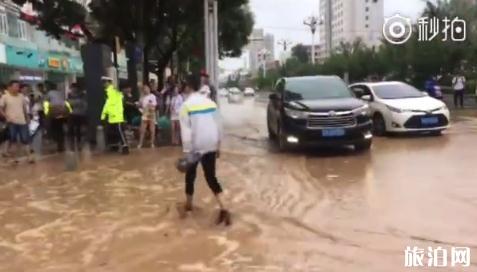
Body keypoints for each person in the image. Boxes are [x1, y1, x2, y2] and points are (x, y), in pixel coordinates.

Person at [178, 74, 231, 226]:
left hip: (196, 145)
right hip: (212, 143)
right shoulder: (211, 103)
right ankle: (224, 207)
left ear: (187, 86)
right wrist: (219, 146)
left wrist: (187, 153)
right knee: (211, 177)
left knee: (190, 176)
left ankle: (188, 206)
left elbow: (186, 132)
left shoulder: (186, 105)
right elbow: (219, 126)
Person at [0, 80, 34, 164]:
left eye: (18, 86)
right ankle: (14, 158)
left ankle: (29, 157)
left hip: (22, 121)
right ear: (10, 87)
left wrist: (27, 118)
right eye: (15, 86)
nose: (17, 88)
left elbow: (24, 109)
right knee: (13, 140)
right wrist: (6, 117)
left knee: (25, 140)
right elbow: (0, 108)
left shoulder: (21, 96)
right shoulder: (5, 97)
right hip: (11, 122)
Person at [100, 76, 129, 154]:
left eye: (105, 82)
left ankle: (124, 146)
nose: (104, 84)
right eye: (103, 82)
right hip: (111, 116)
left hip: (117, 115)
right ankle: (115, 146)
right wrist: (103, 116)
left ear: (109, 83)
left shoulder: (113, 92)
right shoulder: (108, 92)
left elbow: (117, 103)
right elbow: (107, 105)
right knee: (113, 131)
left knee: (119, 131)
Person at [43, 81, 71, 152]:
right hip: (63, 112)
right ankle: (61, 144)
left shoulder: (49, 93)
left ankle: (55, 141)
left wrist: (46, 113)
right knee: (60, 128)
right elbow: (65, 102)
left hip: (55, 112)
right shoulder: (60, 93)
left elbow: (45, 102)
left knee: (53, 127)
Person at [67, 83, 87, 150]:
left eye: (74, 88)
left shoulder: (82, 95)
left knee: (78, 129)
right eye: (72, 88)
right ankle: (72, 144)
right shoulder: (69, 95)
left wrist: (73, 103)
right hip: (72, 114)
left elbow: (84, 104)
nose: (73, 89)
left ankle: (79, 144)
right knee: (71, 129)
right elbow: (68, 104)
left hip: (80, 114)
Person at [137, 84, 157, 149]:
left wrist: (150, 107)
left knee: (152, 129)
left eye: (147, 88)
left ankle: (152, 143)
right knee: (142, 129)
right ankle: (140, 143)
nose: (146, 90)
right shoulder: (142, 97)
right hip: (145, 113)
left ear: (149, 89)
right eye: (144, 89)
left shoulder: (152, 96)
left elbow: (154, 105)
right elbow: (139, 105)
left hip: (151, 113)